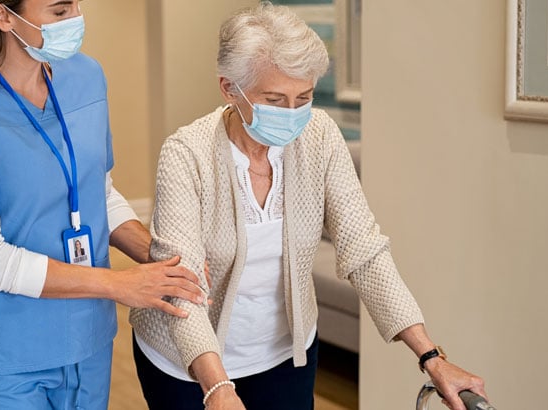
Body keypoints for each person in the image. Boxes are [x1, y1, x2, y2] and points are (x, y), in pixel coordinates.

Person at [129, 4, 487, 410]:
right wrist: (217, 388)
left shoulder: (319, 137)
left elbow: (365, 251)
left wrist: (431, 358)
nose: (293, 114)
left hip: (284, 354)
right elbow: (183, 287)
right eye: (275, 99)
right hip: (186, 362)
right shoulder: (185, 154)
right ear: (230, 88)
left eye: (304, 97)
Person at [0, 0, 205, 408]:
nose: (76, 20)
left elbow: (98, 194)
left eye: (75, 7)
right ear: (3, 16)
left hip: (88, 339)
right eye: (59, 11)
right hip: (9, 352)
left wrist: (163, 259)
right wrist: (119, 284)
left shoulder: (86, 76)